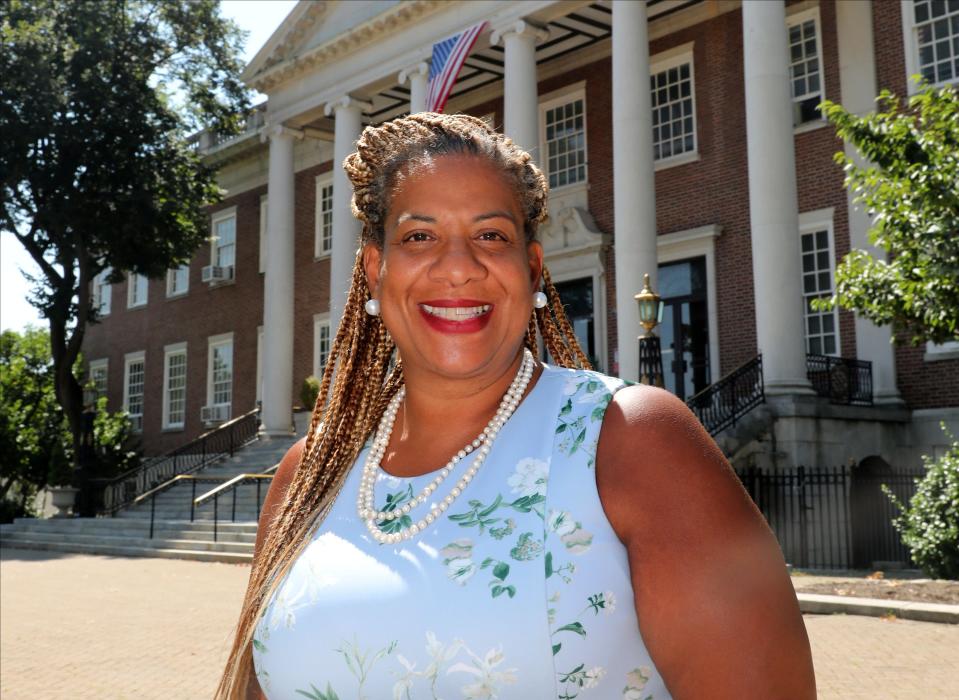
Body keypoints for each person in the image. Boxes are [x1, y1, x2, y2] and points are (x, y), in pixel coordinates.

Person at [217, 113, 816, 699]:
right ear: (376, 270)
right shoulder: (310, 471)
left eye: (490, 236)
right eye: (419, 236)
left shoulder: (632, 441)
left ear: (531, 270)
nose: (457, 266)